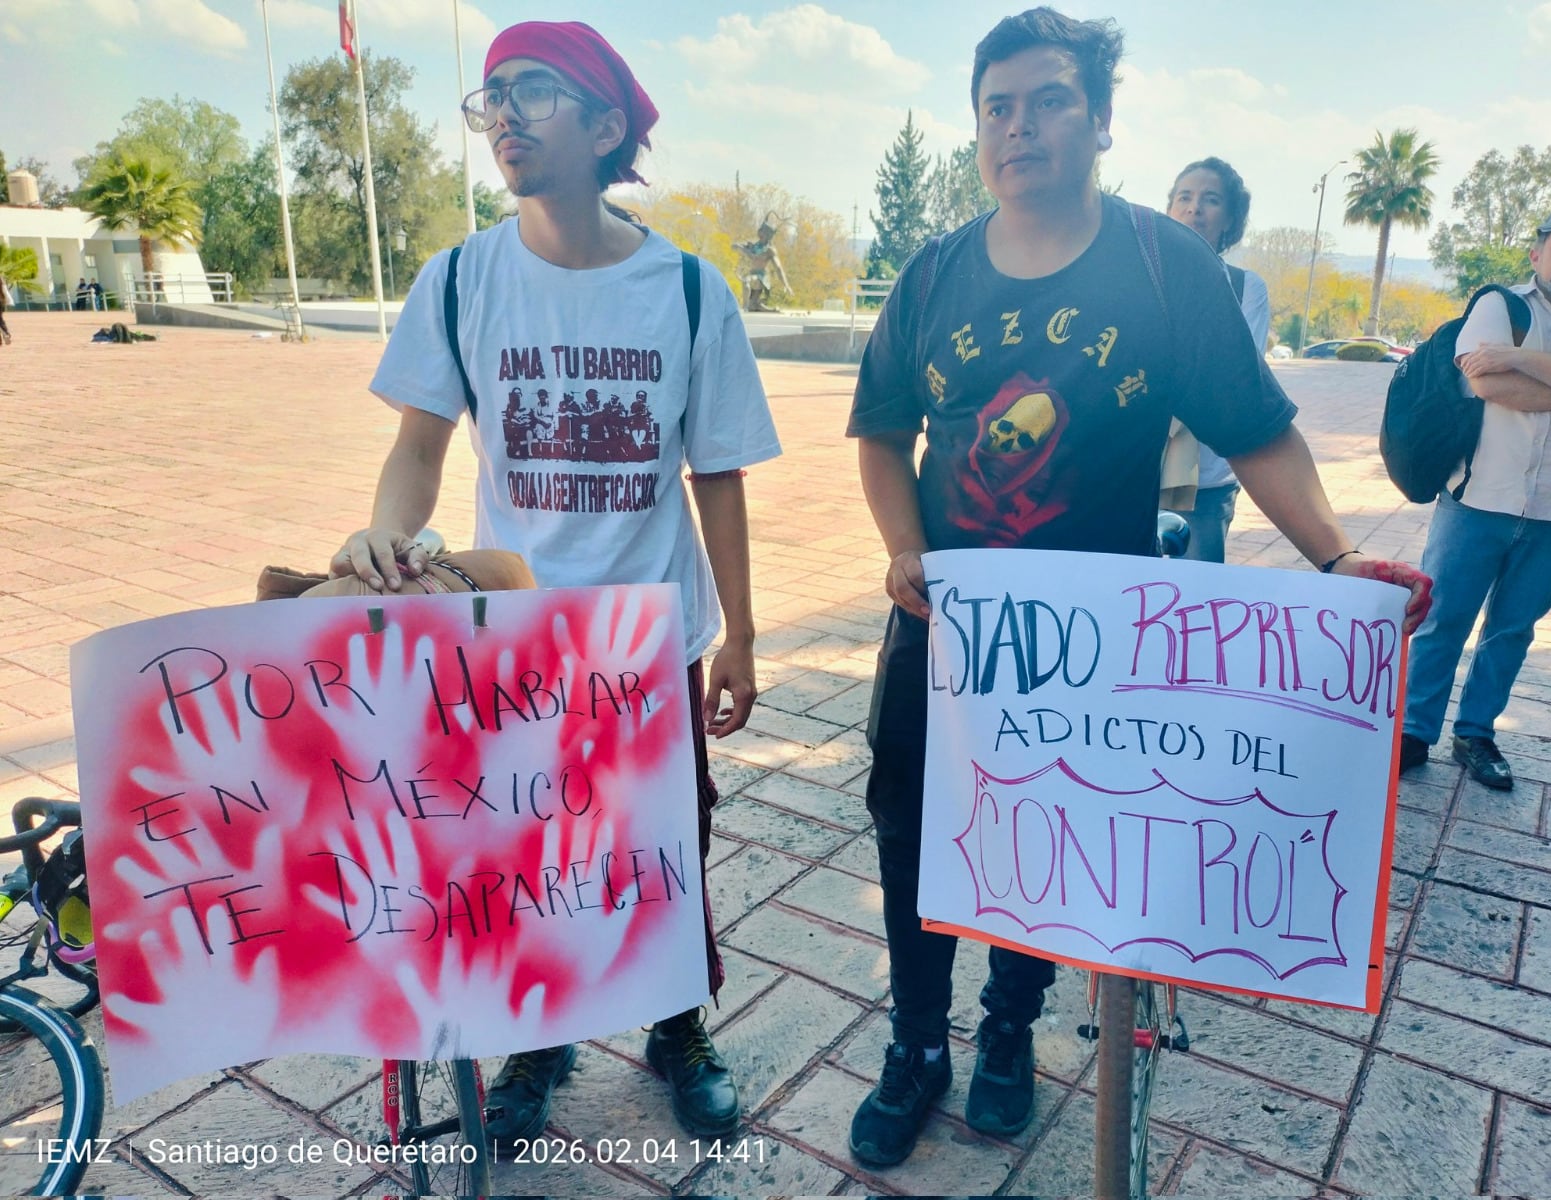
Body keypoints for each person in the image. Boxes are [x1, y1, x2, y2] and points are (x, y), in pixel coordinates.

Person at [844, 7, 1432, 1167]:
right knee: (911, 832)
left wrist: (1333, 557)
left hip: (1094, 646)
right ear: (976, 129)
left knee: (1044, 832)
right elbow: (880, 433)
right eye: (997, 108)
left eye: (1049, 101)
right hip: (945, 635)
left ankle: (1008, 1030)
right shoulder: (932, 272)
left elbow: (1255, 433)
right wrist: (903, 546)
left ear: (1102, 120)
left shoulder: (1165, 267)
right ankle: (915, 1043)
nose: (1019, 127)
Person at [331, 18, 781, 1145]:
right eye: (492, 97)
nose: (504, 115)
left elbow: (717, 477)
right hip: (518, 640)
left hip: (651, 635)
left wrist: (738, 634)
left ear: (606, 123)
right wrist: (385, 533)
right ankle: (541, 1033)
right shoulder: (460, 280)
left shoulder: (688, 292)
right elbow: (420, 448)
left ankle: (676, 1025)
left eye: (533, 90)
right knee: (531, 849)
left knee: (665, 841)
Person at [1399, 201, 1551, 790]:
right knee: (1442, 619)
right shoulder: (1498, 304)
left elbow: (1504, 372)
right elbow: (1484, 382)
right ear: (1537, 252)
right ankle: (1413, 731)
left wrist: (1516, 357)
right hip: (1477, 498)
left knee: (1512, 630)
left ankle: (1476, 733)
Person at [1163, 157, 1271, 561]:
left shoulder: (1245, 289)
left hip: (1205, 485)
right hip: (1129, 474)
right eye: (1184, 197)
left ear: (1230, 219)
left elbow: (1234, 380)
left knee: (1191, 591)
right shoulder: (1135, 278)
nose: (1194, 208)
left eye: (1210, 200)